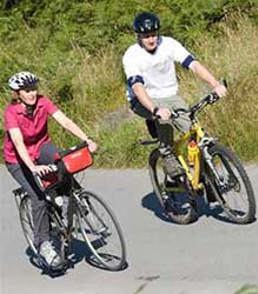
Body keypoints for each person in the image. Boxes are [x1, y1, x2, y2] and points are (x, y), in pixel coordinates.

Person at [3, 71, 97, 267]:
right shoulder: (12, 112)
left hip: (41, 148)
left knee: (61, 159)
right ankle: (44, 244)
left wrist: (86, 139)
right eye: (27, 90)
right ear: (17, 93)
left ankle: (68, 198)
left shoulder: (42, 102)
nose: (31, 94)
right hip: (18, 161)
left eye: (34, 89)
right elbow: (18, 143)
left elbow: (65, 121)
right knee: (38, 198)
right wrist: (32, 167)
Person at [122, 12, 227, 178]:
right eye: (146, 36)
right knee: (164, 120)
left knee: (192, 131)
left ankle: (204, 176)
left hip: (170, 96)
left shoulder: (169, 44)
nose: (151, 39)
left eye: (154, 35)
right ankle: (166, 153)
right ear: (138, 37)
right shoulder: (132, 55)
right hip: (143, 100)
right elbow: (137, 87)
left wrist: (215, 84)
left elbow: (193, 64)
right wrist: (155, 109)